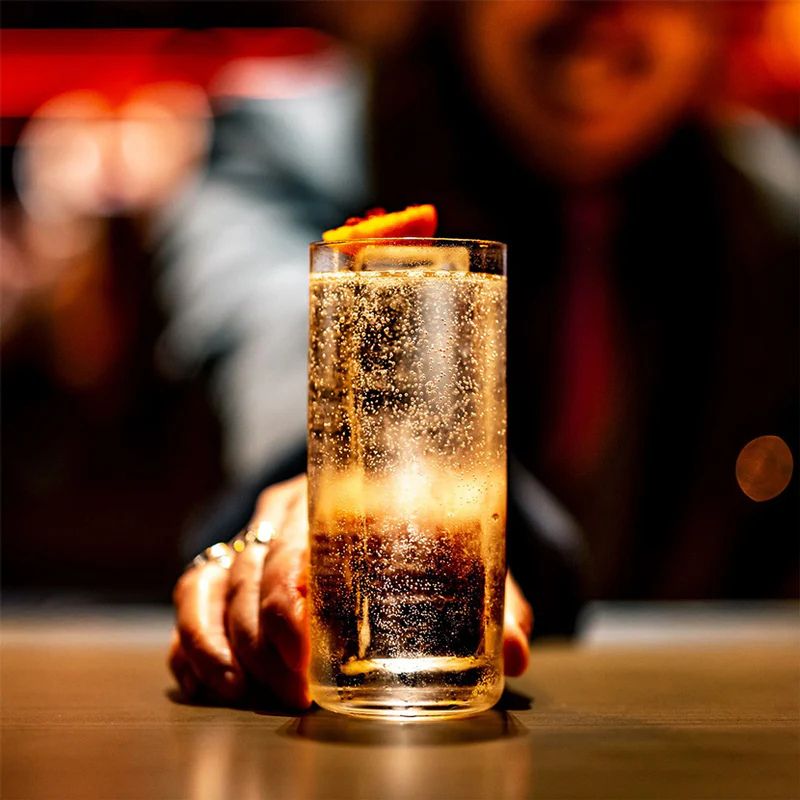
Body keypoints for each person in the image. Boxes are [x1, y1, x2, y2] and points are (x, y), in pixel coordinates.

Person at [168, 1, 798, 707]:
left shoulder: (771, 207)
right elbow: (278, 327)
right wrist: (330, 489)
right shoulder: (293, 144)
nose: (606, 11)